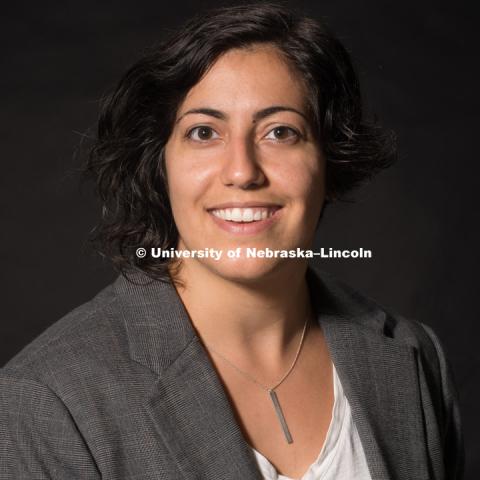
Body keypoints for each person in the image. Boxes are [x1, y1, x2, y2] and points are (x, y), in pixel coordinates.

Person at [0, 3, 464, 479]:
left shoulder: (414, 359)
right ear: (159, 165)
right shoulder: (46, 403)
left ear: (329, 159)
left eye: (280, 132)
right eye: (204, 132)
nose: (242, 171)